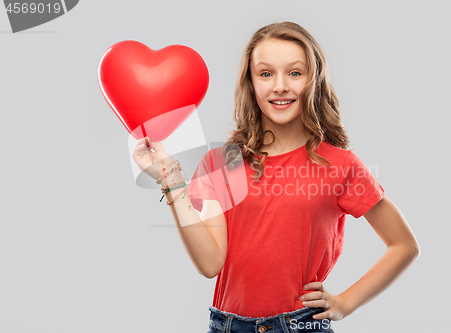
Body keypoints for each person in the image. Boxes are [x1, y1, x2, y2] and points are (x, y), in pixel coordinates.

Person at [132, 21, 420, 333]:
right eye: (266, 73)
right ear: (251, 82)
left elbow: (403, 245)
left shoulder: (340, 164)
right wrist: (169, 177)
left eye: (294, 73)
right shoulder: (222, 162)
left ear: (313, 80)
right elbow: (210, 263)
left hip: (299, 326)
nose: (280, 86)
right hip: (227, 326)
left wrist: (345, 303)